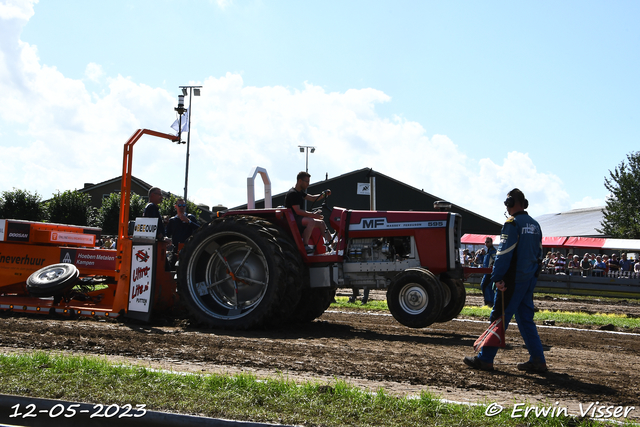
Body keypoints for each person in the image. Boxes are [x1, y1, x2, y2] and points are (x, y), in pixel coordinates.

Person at [464, 188, 547, 373]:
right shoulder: (535, 225)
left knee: (499, 316)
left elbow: (503, 254)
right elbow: (539, 254)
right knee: (526, 320)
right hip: (528, 280)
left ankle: (485, 359)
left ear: (510, 203)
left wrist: (497, 277)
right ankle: (538, 360)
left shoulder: (512, 224)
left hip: (512, 280)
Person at [284, 171, 331, 254]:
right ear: (300, 181)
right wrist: (313, 215)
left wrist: (324, 194)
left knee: (321, 223)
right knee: (311, 221)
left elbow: (313, 198)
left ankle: (332, 243)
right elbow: (298, 211)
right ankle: (305, 245)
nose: (308, 184)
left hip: (299, 218)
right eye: (307, 182)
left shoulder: (300, 193)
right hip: (293, 220)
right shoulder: (293, 193)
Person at [480, 237, 497, 307]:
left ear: (491, 242)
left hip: (489, 272)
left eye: (488, 242)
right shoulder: (488, 251)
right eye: (485, 242)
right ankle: (490, 302)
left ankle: (488, 302)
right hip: (486, 272)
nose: (486, 243)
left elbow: (495, 259)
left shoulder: (492, 251)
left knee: (485, 285)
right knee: (488, 286)